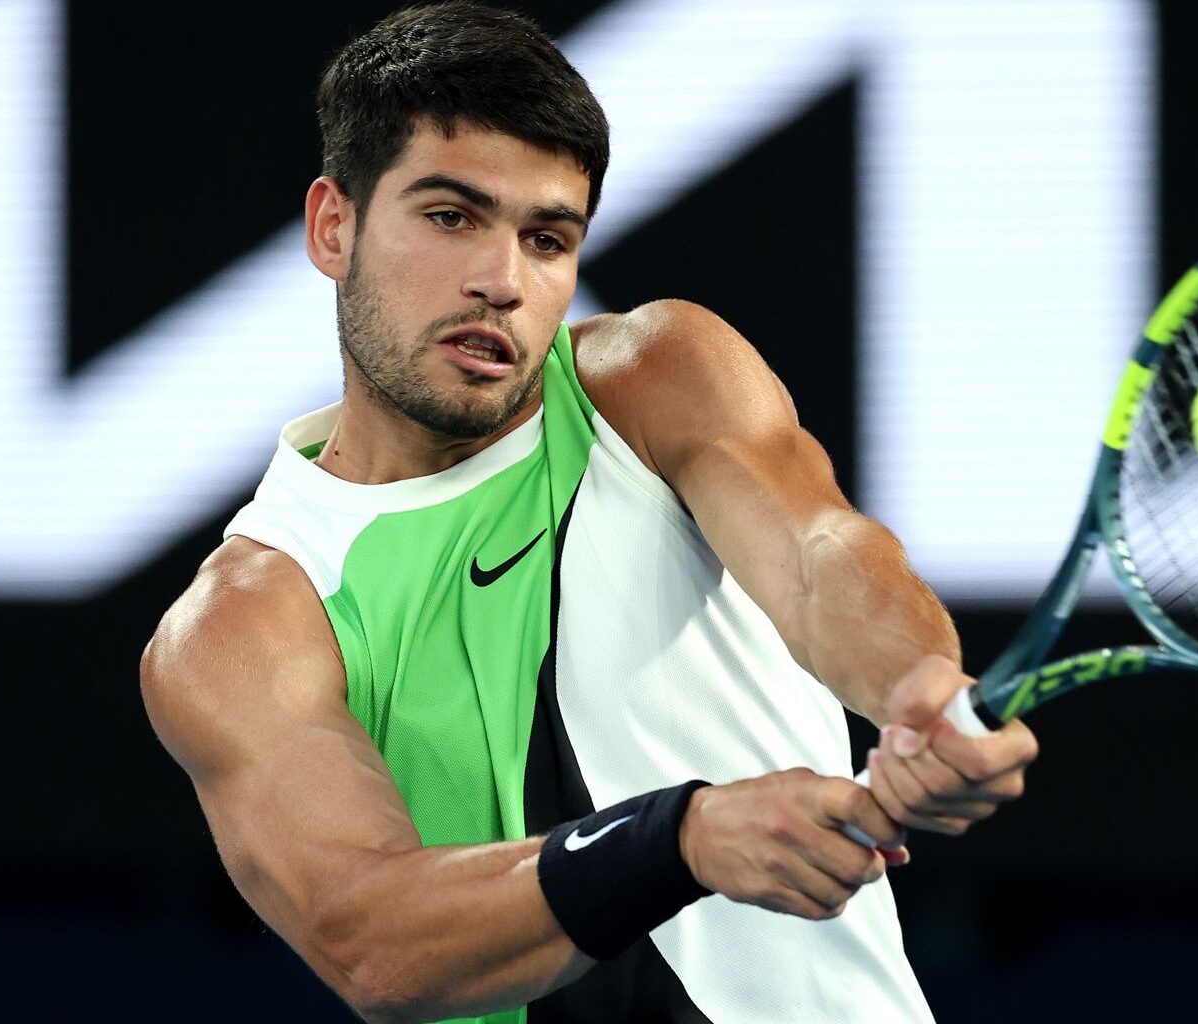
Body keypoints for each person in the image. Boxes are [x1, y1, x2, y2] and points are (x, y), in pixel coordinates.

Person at [139, 4, 1038, 1022]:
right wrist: (682, 840)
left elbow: (821, 552)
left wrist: (912, 681)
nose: (502, 281)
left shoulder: (654, 380)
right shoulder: (246, 622)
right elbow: (373, 938)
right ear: (333, 226)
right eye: (450, 216)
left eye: (547, 237)